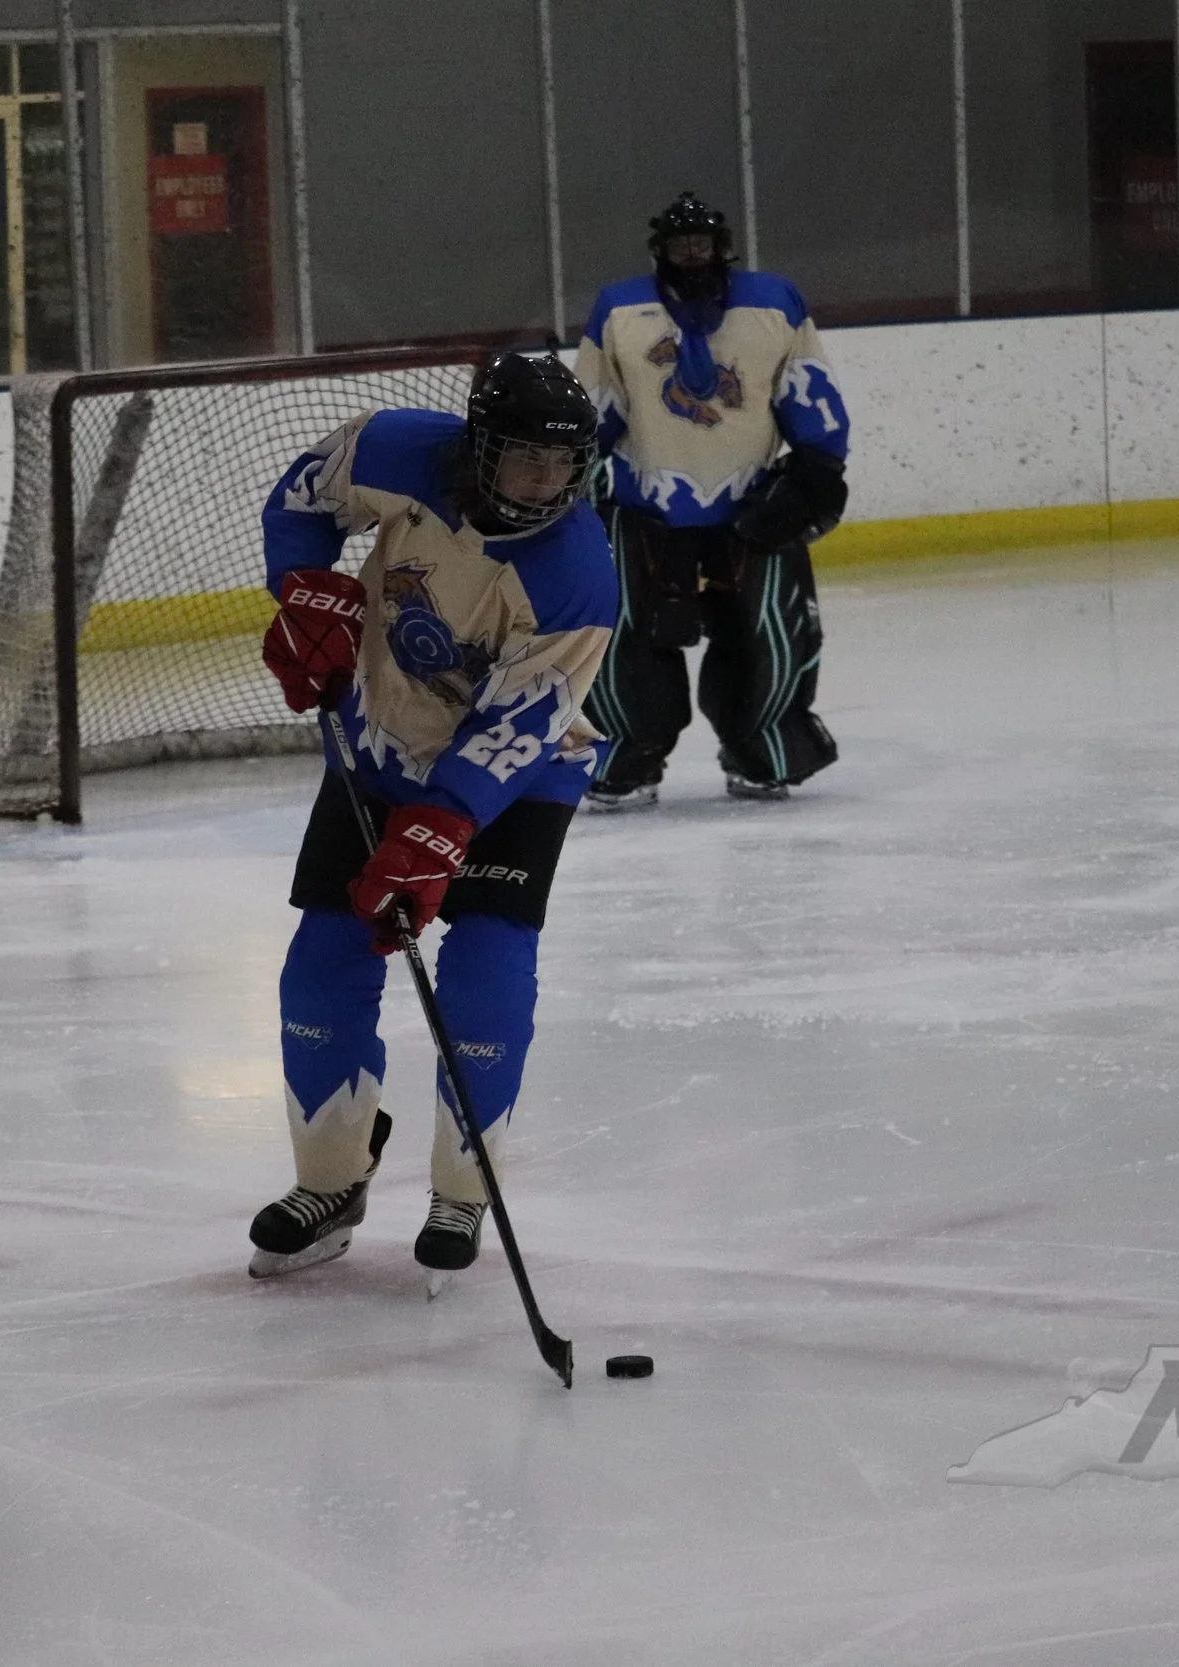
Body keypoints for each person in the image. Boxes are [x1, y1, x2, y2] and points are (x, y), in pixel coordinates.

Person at [245, 350, 616, 1287]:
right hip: (380, 742)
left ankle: (462, 1190)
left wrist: (440, 823)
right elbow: (302, 500)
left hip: (519, 779)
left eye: (563, 464)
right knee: (321, 963)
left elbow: (524, 722)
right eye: (526, 458)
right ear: (479, 445)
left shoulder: (577, 575)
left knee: (485, 970)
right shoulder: (393, 449)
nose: (546, 482)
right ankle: (330, 1179)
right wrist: (302, 589)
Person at [575, 191, 852, 807]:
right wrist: (572, 472)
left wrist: (817, 466)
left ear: (723, 247)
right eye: (680, 245)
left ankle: (763, 750)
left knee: (771, 633)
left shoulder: (775, 302)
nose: (692, 254)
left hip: (753, 502)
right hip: (643, 503)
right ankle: (626, 757)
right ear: (660, 250)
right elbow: (596, 403)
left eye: (701, 243)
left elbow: (807, 388)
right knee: (621, 637)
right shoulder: (619, 308)